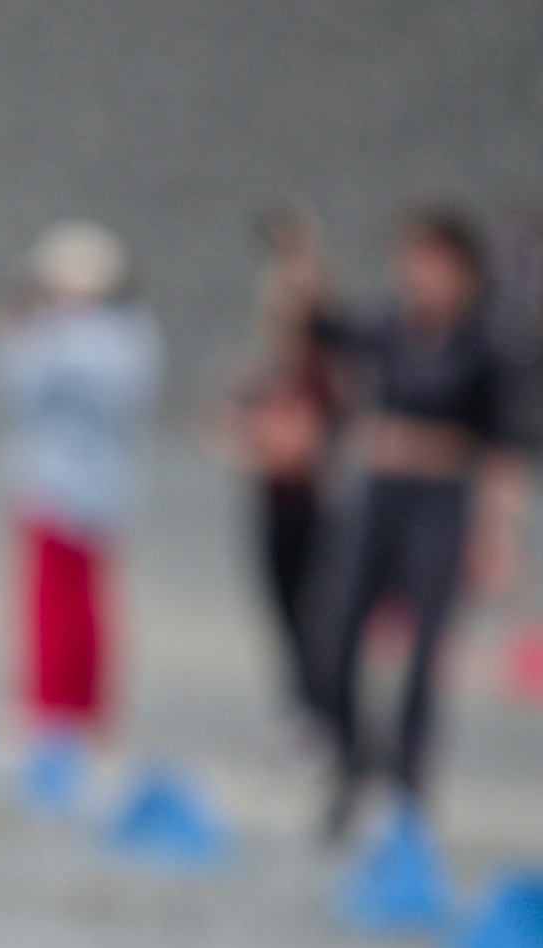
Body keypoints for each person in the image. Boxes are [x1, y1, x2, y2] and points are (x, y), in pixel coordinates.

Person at [308, 207, 526, 839]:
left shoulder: (486, 346)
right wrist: (301, 260)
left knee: (425, 651)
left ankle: (407, 786)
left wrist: (500, 537)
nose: (415, 274)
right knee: (335, 634)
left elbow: (505, 451)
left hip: (440, 502)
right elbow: (324, 328)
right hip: (377, 495)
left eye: (431, 261)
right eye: (409, 259)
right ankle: (354, 759)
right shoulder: (389, 328)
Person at [0, 220, 163, 735]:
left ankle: (74, 708)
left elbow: (25, 386)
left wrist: (34, 334)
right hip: (58, 481)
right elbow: (8, 389)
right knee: (55, 603)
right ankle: (57, 705)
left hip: (89, 483)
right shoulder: (103, 334)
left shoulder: (111, 336)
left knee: (77, 606)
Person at [227, 202, 344, 723]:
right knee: (286, 609)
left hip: (312, 501)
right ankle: (306, 708)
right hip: (278, 500)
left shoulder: (322, 376)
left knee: (314, 611)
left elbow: (295, 447)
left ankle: (322, 710)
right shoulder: (274, 374)